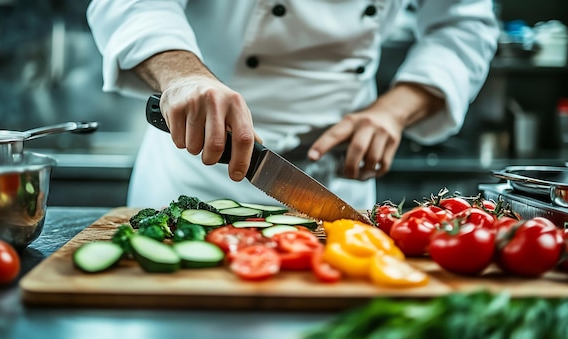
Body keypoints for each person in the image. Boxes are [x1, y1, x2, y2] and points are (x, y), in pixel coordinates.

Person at [86, 0, 499, 210]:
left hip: (334, 179)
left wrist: (393, 111)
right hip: (196, 164)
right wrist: (183, 75)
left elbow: (463, 25)